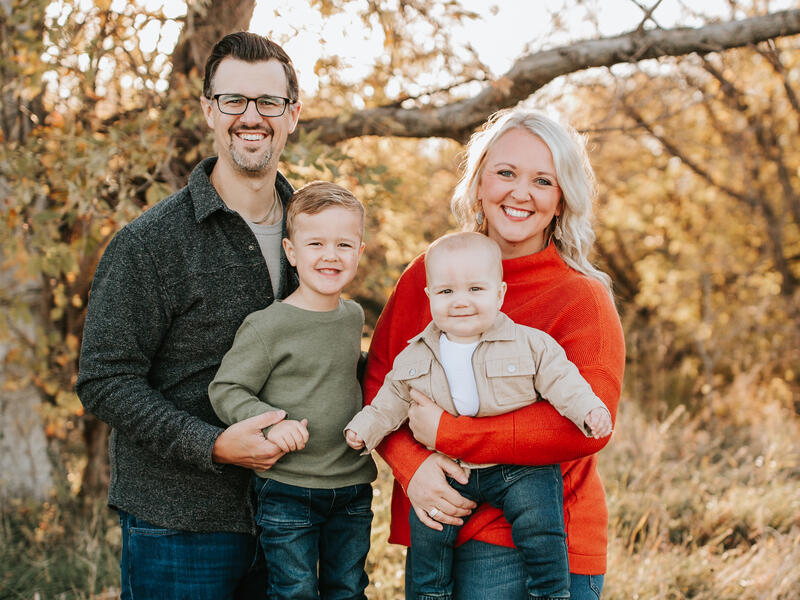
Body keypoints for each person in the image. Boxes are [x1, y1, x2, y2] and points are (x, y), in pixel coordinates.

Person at [76, 32, 304, 598]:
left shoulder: (317, 232)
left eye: (268, 103)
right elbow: (104, 379)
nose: (251, 117)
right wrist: (212, 444)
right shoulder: (150, 243)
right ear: (208, 110)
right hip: (177, 527)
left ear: (293, 114)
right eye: (234, 101)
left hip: (296, 521)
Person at [363, 108, 625, 600]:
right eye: (505, 172)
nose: (520, 193)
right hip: (437, 524)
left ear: (562, 197)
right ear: (479, 182)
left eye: (542, 180)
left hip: (531, 546)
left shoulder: (582, 297)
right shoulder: (430, 273)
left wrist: (451, 434)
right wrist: (411, 466)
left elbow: (590, 425)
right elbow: (381, 376)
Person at [345, 231, 612, 600]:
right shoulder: (417, 355)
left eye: (475, 290)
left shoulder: (529, 343)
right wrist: (364, 431)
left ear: (499, 294)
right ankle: (429, 593)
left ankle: (550, 593)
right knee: (429, 533)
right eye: (446, 293)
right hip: (452, 467)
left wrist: (589, 411)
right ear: (430, 297)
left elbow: (563, 381)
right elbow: (388, 398)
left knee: (539, 523)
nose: (461, 302)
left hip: (519, 467)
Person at [209, 181, 377, 600]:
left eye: (343, 244)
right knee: (294, 591)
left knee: (349, 588)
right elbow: (228, 388)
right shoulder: (269, 325)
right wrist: (269, 427)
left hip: (351, 485)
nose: (330, 255)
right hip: (288, 488)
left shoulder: (352, 316)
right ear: (291, 252)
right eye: (316, 243)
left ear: (359, 251)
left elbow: (346, 379)